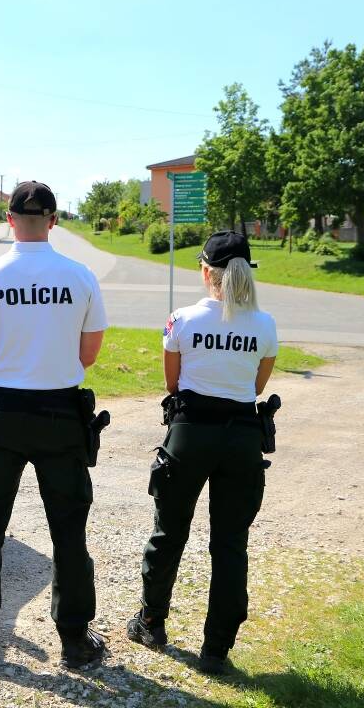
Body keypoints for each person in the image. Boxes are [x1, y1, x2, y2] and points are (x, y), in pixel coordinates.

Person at [0, 181, 109, 669]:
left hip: (1, 414)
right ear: (54, 220)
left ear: (9, 219)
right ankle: (74, 643)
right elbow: (87, 355)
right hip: (61, 415)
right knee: (68, 532)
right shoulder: (80, 277)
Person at [125, 230, 278, 675]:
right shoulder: (265, 325)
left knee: (168, 531)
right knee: (230, 543)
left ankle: (151, 622)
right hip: (241, 437)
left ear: (205, 271)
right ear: (247, 273)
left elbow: (172, 384)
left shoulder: (181, 319)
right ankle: (216, 650)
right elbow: (255, 387)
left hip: (191, 432)